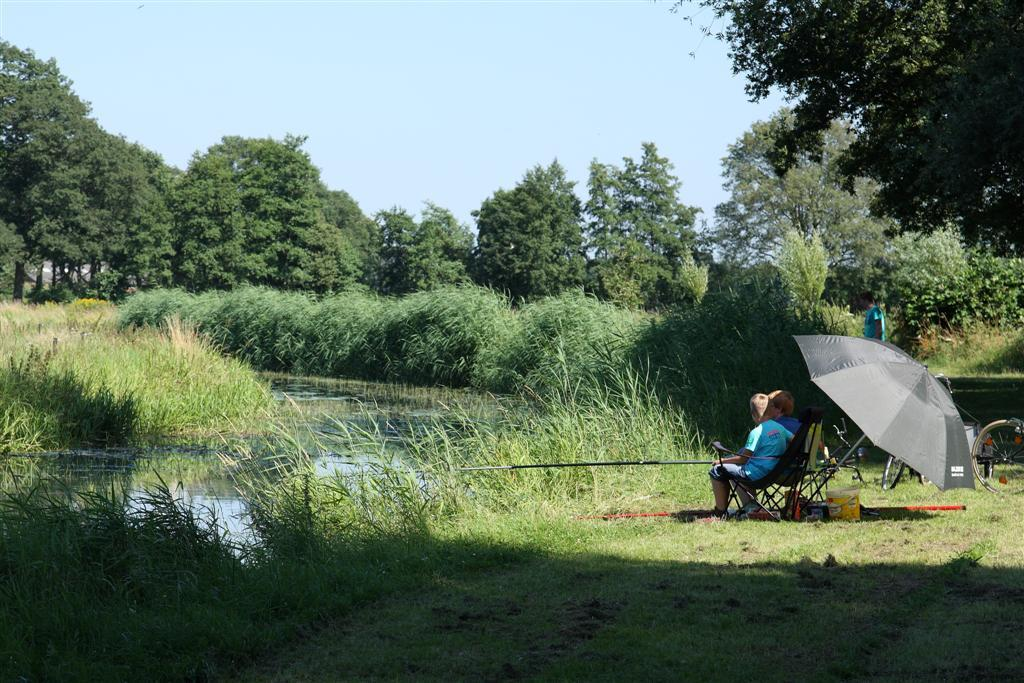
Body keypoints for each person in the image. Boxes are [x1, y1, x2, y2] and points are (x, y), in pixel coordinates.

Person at [708, 394, 795, 517]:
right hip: (774, 472)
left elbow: (743, 459)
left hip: (757, 476)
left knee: (716, 470)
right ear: (771, 410)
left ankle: (720, 511)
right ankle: (751, 506)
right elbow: (795, 441)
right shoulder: (780, 428)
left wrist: (722, 460)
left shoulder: (756, 432)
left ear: (753, 414)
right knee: (734, 471)